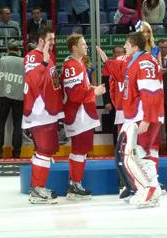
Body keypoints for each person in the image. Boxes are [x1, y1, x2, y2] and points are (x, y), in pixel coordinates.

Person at [118, 31, 164, 208]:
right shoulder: (139, 60)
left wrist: (147, 118)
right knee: (142, 152)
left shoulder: (144, 62)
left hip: (143, 115)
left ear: (135, 47)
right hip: (141, 114)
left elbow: (150, 91)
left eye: (127, 44)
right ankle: (154, 190)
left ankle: (147, 190)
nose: (124, 47)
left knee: (136, 154)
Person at [22, 26, 64, 204]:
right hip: (39, 112)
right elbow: (32, 80)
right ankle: (37, 189)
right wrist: (44, 63)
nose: (53, 42)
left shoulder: (49, 57)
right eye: (50, 40)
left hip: (49, 112)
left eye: (54, 39)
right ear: (40, 41)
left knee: (46, 150)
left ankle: (38, 187)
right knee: (44, 150)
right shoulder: (33, 56)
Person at [62, 34, 106, 200]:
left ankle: (75, 184)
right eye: (83, 44)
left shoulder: (78, 63)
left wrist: (92, 88)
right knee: (79, 150)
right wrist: (94, 92)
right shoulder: (72, 66)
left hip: (83, 114)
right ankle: (75, 186)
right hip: (78, 115)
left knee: (81, 150)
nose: (86, 46)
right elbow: (74, 94)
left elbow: (80, 88)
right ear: (74, 47)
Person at [0, 43, 24, 159]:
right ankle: (16, 152)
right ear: (18, 50)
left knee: (0, 123)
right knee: (17, 125)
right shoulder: (24, 61)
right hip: (19, 97)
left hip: (4, 95)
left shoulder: (2, 60)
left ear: (8, 50)